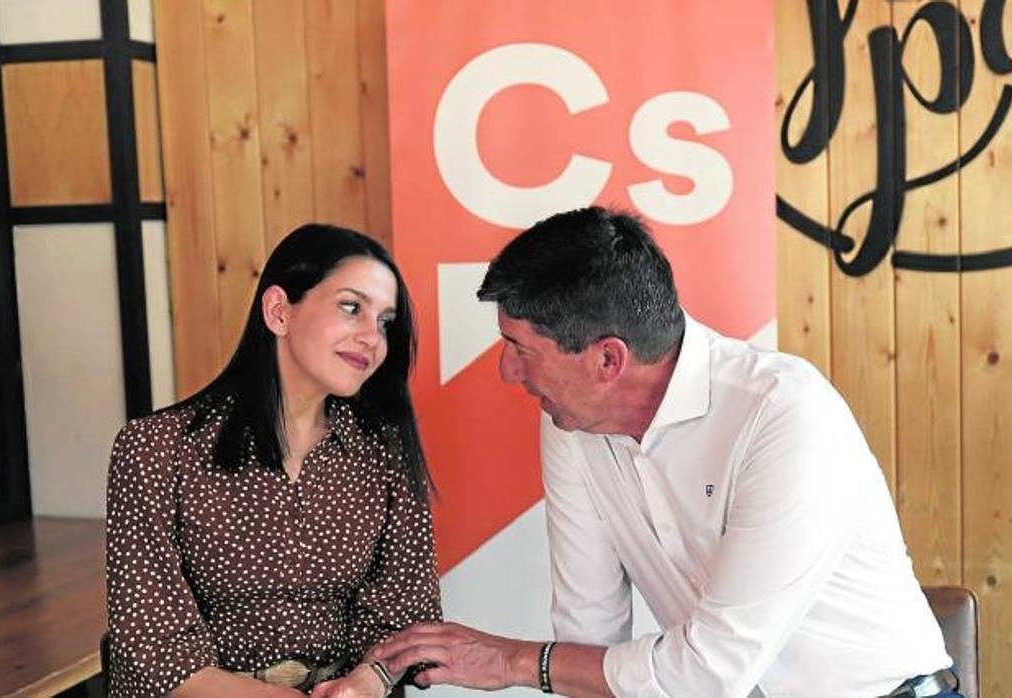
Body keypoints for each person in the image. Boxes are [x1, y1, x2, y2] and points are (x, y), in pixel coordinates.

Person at [372, 207, 960, 697]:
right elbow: (589, 629)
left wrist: (515, 662)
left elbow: (712, 669)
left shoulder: (783, 412)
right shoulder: (569, 423)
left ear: (608, 360)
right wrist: (545, 665)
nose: (506, 372)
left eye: (520, 349)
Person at [106, 223, 440, 698]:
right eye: (351, 308)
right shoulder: (155, 449)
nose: (373, 338)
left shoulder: (383, 450)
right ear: (279, 311)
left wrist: (366, 682)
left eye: (385, 321)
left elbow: (406, 612)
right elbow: (153, 648)